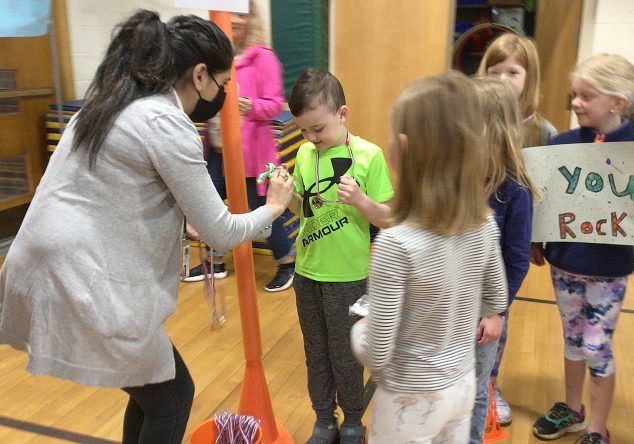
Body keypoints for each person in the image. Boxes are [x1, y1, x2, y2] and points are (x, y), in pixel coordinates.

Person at [0, 10, 294, 444]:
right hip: (82, 280)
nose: (224, 94)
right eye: (222, 83)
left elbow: (111, 193)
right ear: (198, 76)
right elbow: (223, 234)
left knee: (155, 394)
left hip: (43, 267)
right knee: (173, 397)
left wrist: (182, 217)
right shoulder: (165, 122)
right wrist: (272, 208)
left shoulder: (111, 105)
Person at [350, 71, 508, 443]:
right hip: (461, 387)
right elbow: (496, 299)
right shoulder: (484, 225)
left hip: (409, 400)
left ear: (402, 148)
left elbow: (377, 351)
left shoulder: (396, 243)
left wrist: (358, 331)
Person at [531, 53, 634, 443]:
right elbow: (548, 201)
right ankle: (573, 409)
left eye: (586, 96)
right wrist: (537, 240)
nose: (575, 103)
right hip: (565, 264)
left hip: (608, 269)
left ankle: (597, 427)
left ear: (618, 102)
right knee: (573, 340)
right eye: (574, 94)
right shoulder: (561, 145)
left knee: (596, 346)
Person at [287, 68, 394, 444]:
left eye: (317, 129)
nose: (311, 138)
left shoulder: (369, 156)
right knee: (315, 351)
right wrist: (284, 196)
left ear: (343, 114)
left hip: (348, 276)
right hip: (307, 272)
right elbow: (304, 211)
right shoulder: (303, 154)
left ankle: (352, 419)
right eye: (302, 130)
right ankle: (322, 418)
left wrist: (361, 201)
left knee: (345, 352)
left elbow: (388, 217)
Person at [475, 32, 558, 425]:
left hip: (513, 246)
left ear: (530, 77)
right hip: (469, 259)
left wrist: (539, 241)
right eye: (495, 71)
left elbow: (558, 194)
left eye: (513, 71)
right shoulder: (471, 121)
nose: (504, 79)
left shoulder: (544, 132)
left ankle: (489, 386)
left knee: (496, 326)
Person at [183, 1, 294, 292]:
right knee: (208, 205)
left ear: (251, 19)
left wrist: (251, 107)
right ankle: (214, 261)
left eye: (242, 14)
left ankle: (287, 261)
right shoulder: (215, 56)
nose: (234, 20)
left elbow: (274, 104)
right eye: (230, 12)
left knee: (259, 206)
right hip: (218, 150)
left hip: (250, 155)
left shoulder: (263, 58)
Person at [468, 77, 540, 444]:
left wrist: (495, 312)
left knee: (477, 388)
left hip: (485, 310)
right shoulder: (456, 178)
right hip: (450, 304)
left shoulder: (514, 191)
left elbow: (516, 261)